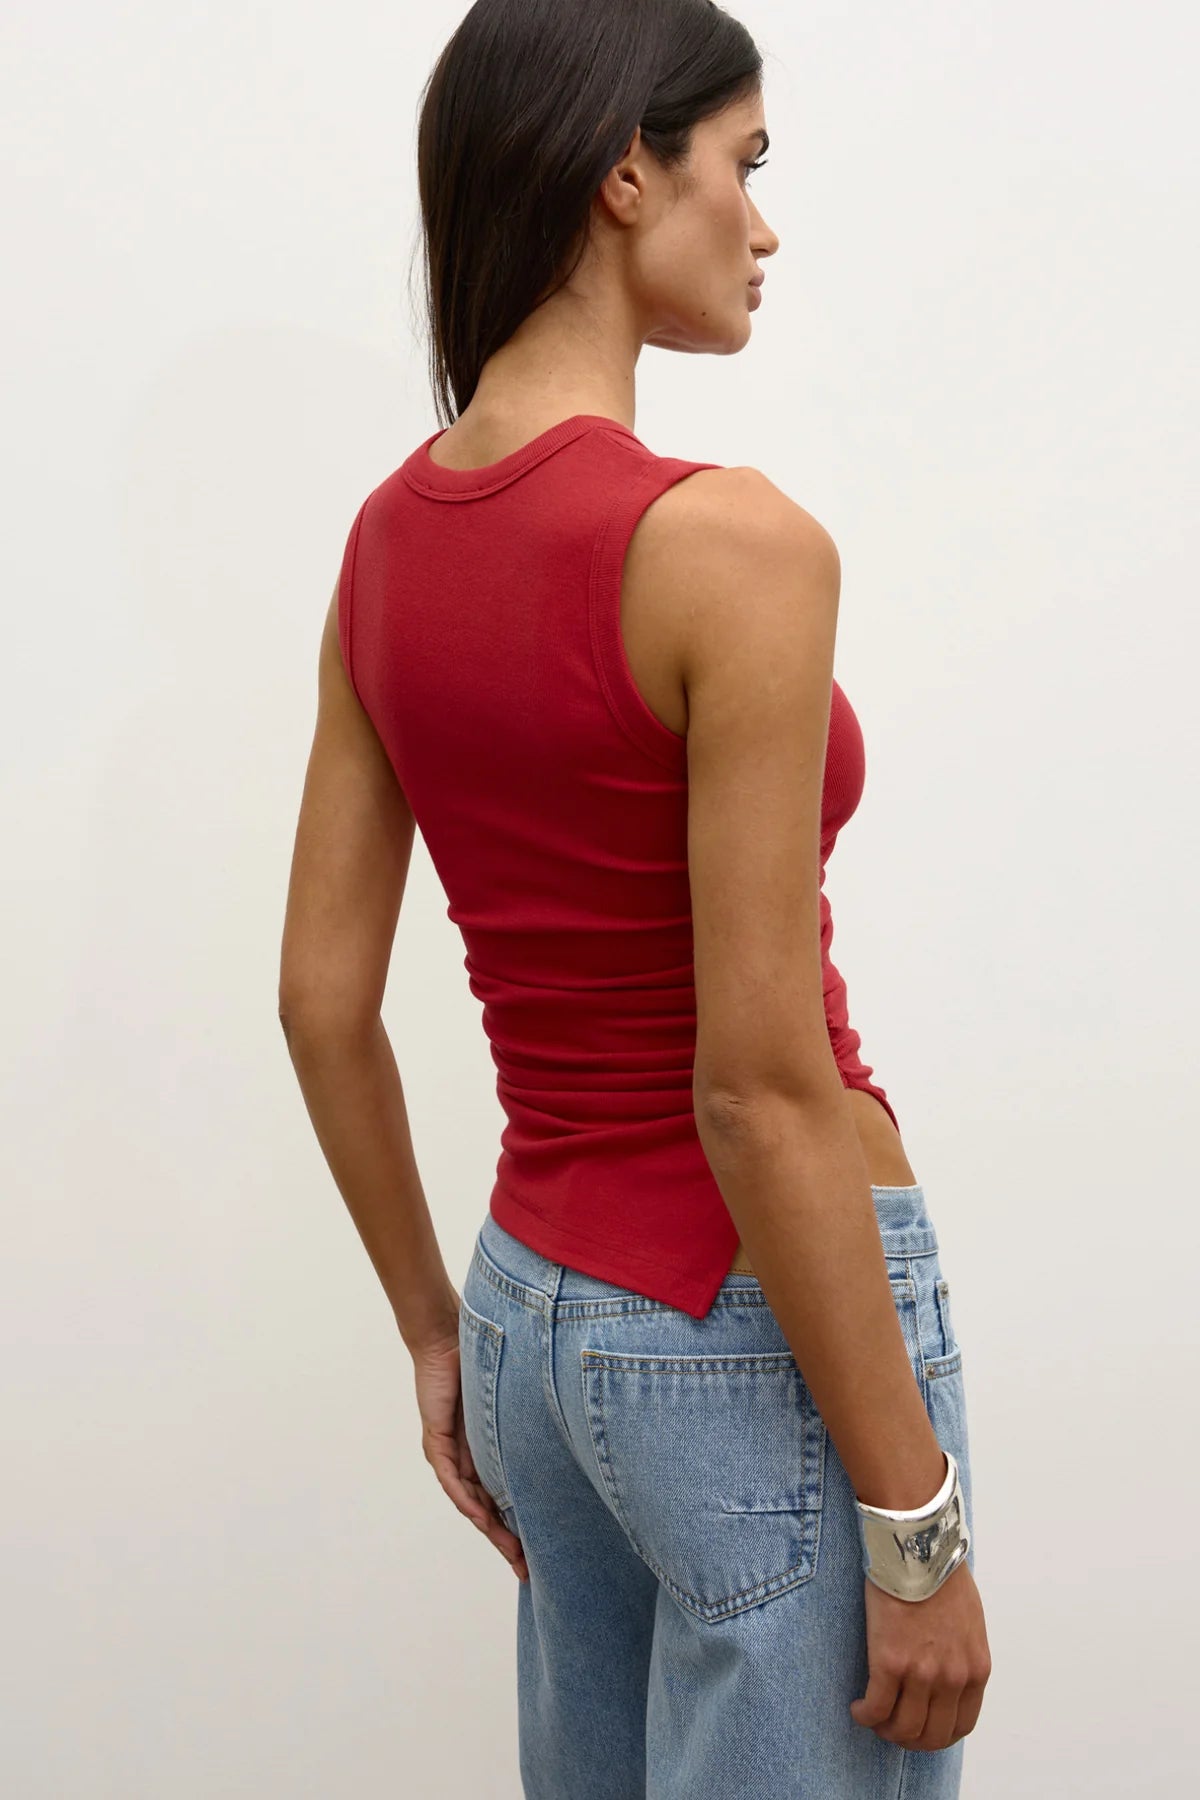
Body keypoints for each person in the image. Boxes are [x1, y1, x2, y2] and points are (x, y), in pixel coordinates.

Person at [278, 1, 992, 1793]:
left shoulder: (386, 542)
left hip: (534, 1318)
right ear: (621, 176)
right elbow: (757, 1091)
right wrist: (913, 1526)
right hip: (755, 1327)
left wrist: (437, 1336)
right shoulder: (730, 547)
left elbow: (320, 1000)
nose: (763, 223)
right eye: (740, 165)